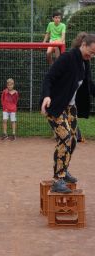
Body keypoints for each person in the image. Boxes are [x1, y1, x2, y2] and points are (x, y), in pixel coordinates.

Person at [40, 32, 95, 193]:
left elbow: (90, 86)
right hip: (55, 105)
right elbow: (48, 78)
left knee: (73, 140)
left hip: (70, 108)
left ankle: (63, 170)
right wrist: (46, 96)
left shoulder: (85, 63)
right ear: (83, 45)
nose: (91, 56)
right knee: (65, 138)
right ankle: (58, 179)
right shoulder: (67, 58)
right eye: (90, 52)